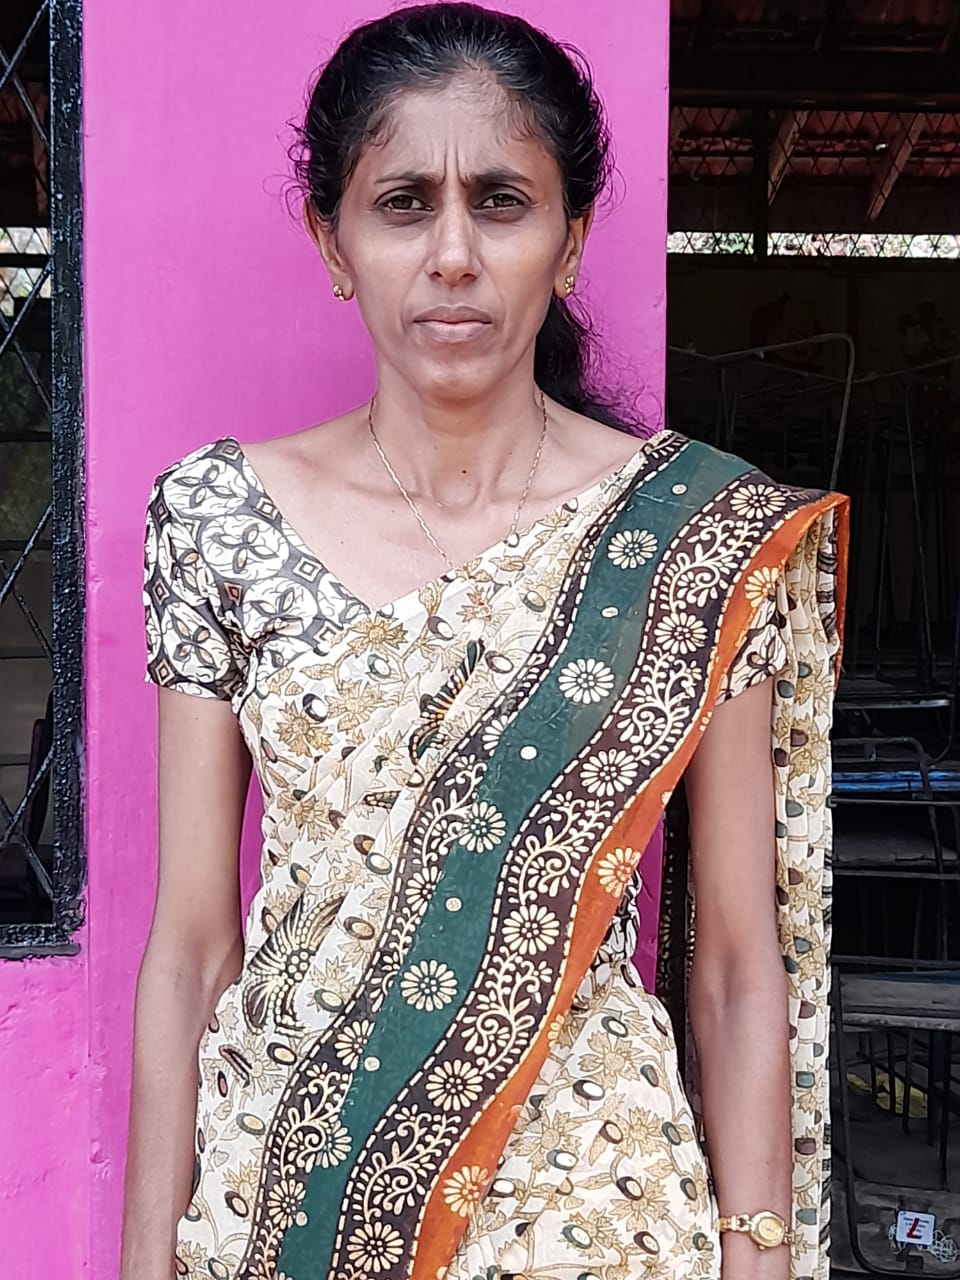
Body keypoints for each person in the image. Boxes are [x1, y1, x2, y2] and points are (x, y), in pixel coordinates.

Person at [123, 6, 848, 1279]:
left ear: (570, 242)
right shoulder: (218, 519)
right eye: (403, 204)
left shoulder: (691, 532)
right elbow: (191, 947)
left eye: (501, 203)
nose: (452, 254)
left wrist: (761, 1253)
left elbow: (738, 965)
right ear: (334, 241)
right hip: (287, 1204)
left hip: (602, 1214)